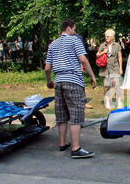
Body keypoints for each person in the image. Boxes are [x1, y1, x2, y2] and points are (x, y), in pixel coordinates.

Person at [44, 19, 97, 159]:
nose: (75, 32)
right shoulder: (75, 41)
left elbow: (47, 67)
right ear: (69, 28)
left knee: (62, 114)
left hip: (59, 82)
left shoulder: (53, 44)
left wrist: (49, 81)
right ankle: (76, 148)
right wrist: (92, 76)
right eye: (74, 29)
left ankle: (62, 143)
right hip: (73, 81)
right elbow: (83, 60)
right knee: (76, 114)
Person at [96, 29, 123, 109]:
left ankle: (119, 102)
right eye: (105, 36)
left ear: (112, 37)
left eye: (108, 36)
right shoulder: (103, 45)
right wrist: (103, 52)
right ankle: (107, 102)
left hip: (115, 68)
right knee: (106, 86)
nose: (106, 38)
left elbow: (120, 58)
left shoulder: (117, 45)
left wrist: (120, 69)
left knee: (117, 85)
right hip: (105, 69)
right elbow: (97, 55)